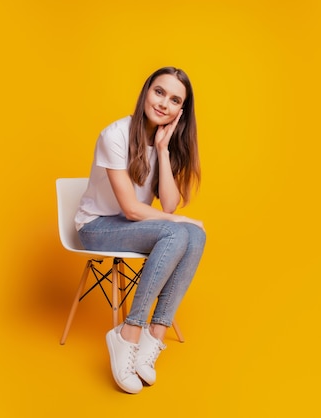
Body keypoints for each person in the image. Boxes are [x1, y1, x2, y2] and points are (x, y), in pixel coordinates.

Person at [74, 66, 206, 394]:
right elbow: (133, 210)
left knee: (196, 236)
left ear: (181, 111)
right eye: (159, 92)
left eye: (175, 100)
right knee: (181, 231)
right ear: (146, 91)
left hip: (132, 226)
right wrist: (185, 222)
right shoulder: (115, 135)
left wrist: (162, 150)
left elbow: (170, 206)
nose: (163, 103)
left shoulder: (165, 142)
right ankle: (128, 333)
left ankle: (154, 336)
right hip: (96, 226)